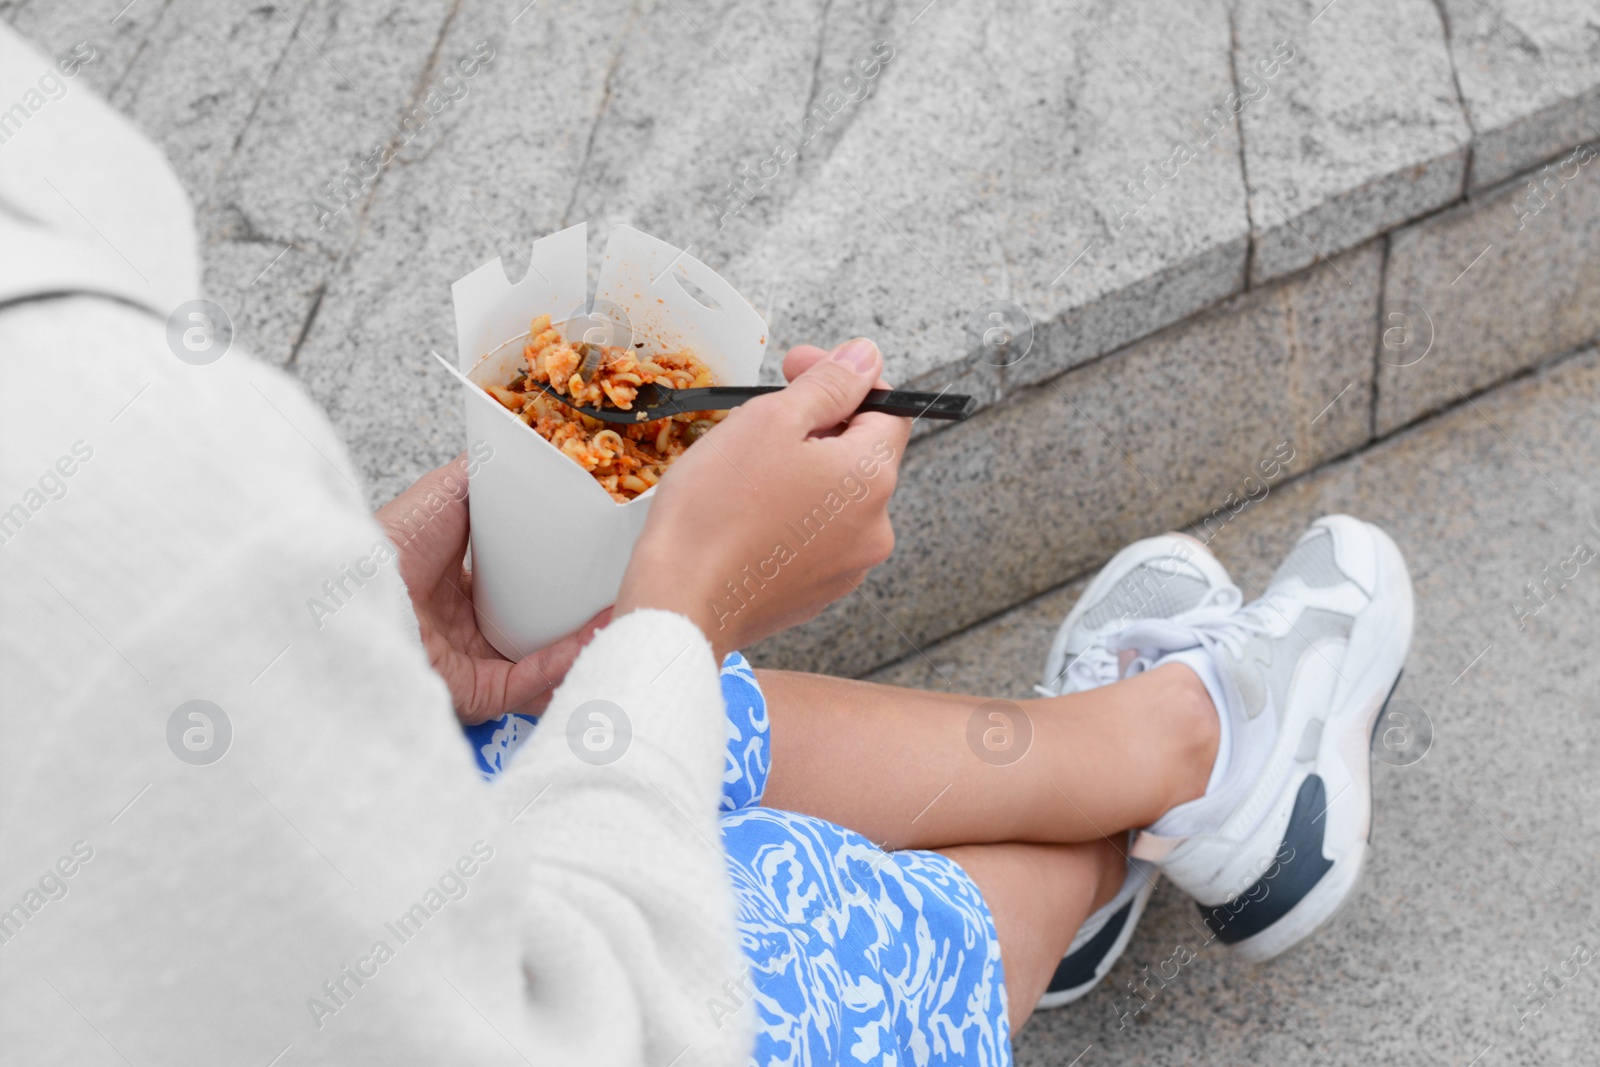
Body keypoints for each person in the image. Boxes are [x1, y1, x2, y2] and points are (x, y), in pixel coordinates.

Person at [0, 23, 1413, 1066]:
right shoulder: (134, 472)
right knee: (804, 930)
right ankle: (1117, 836)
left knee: (513, 730)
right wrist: (686, 606)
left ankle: (1155, 755)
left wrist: (353, 617)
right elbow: (578, 1031)